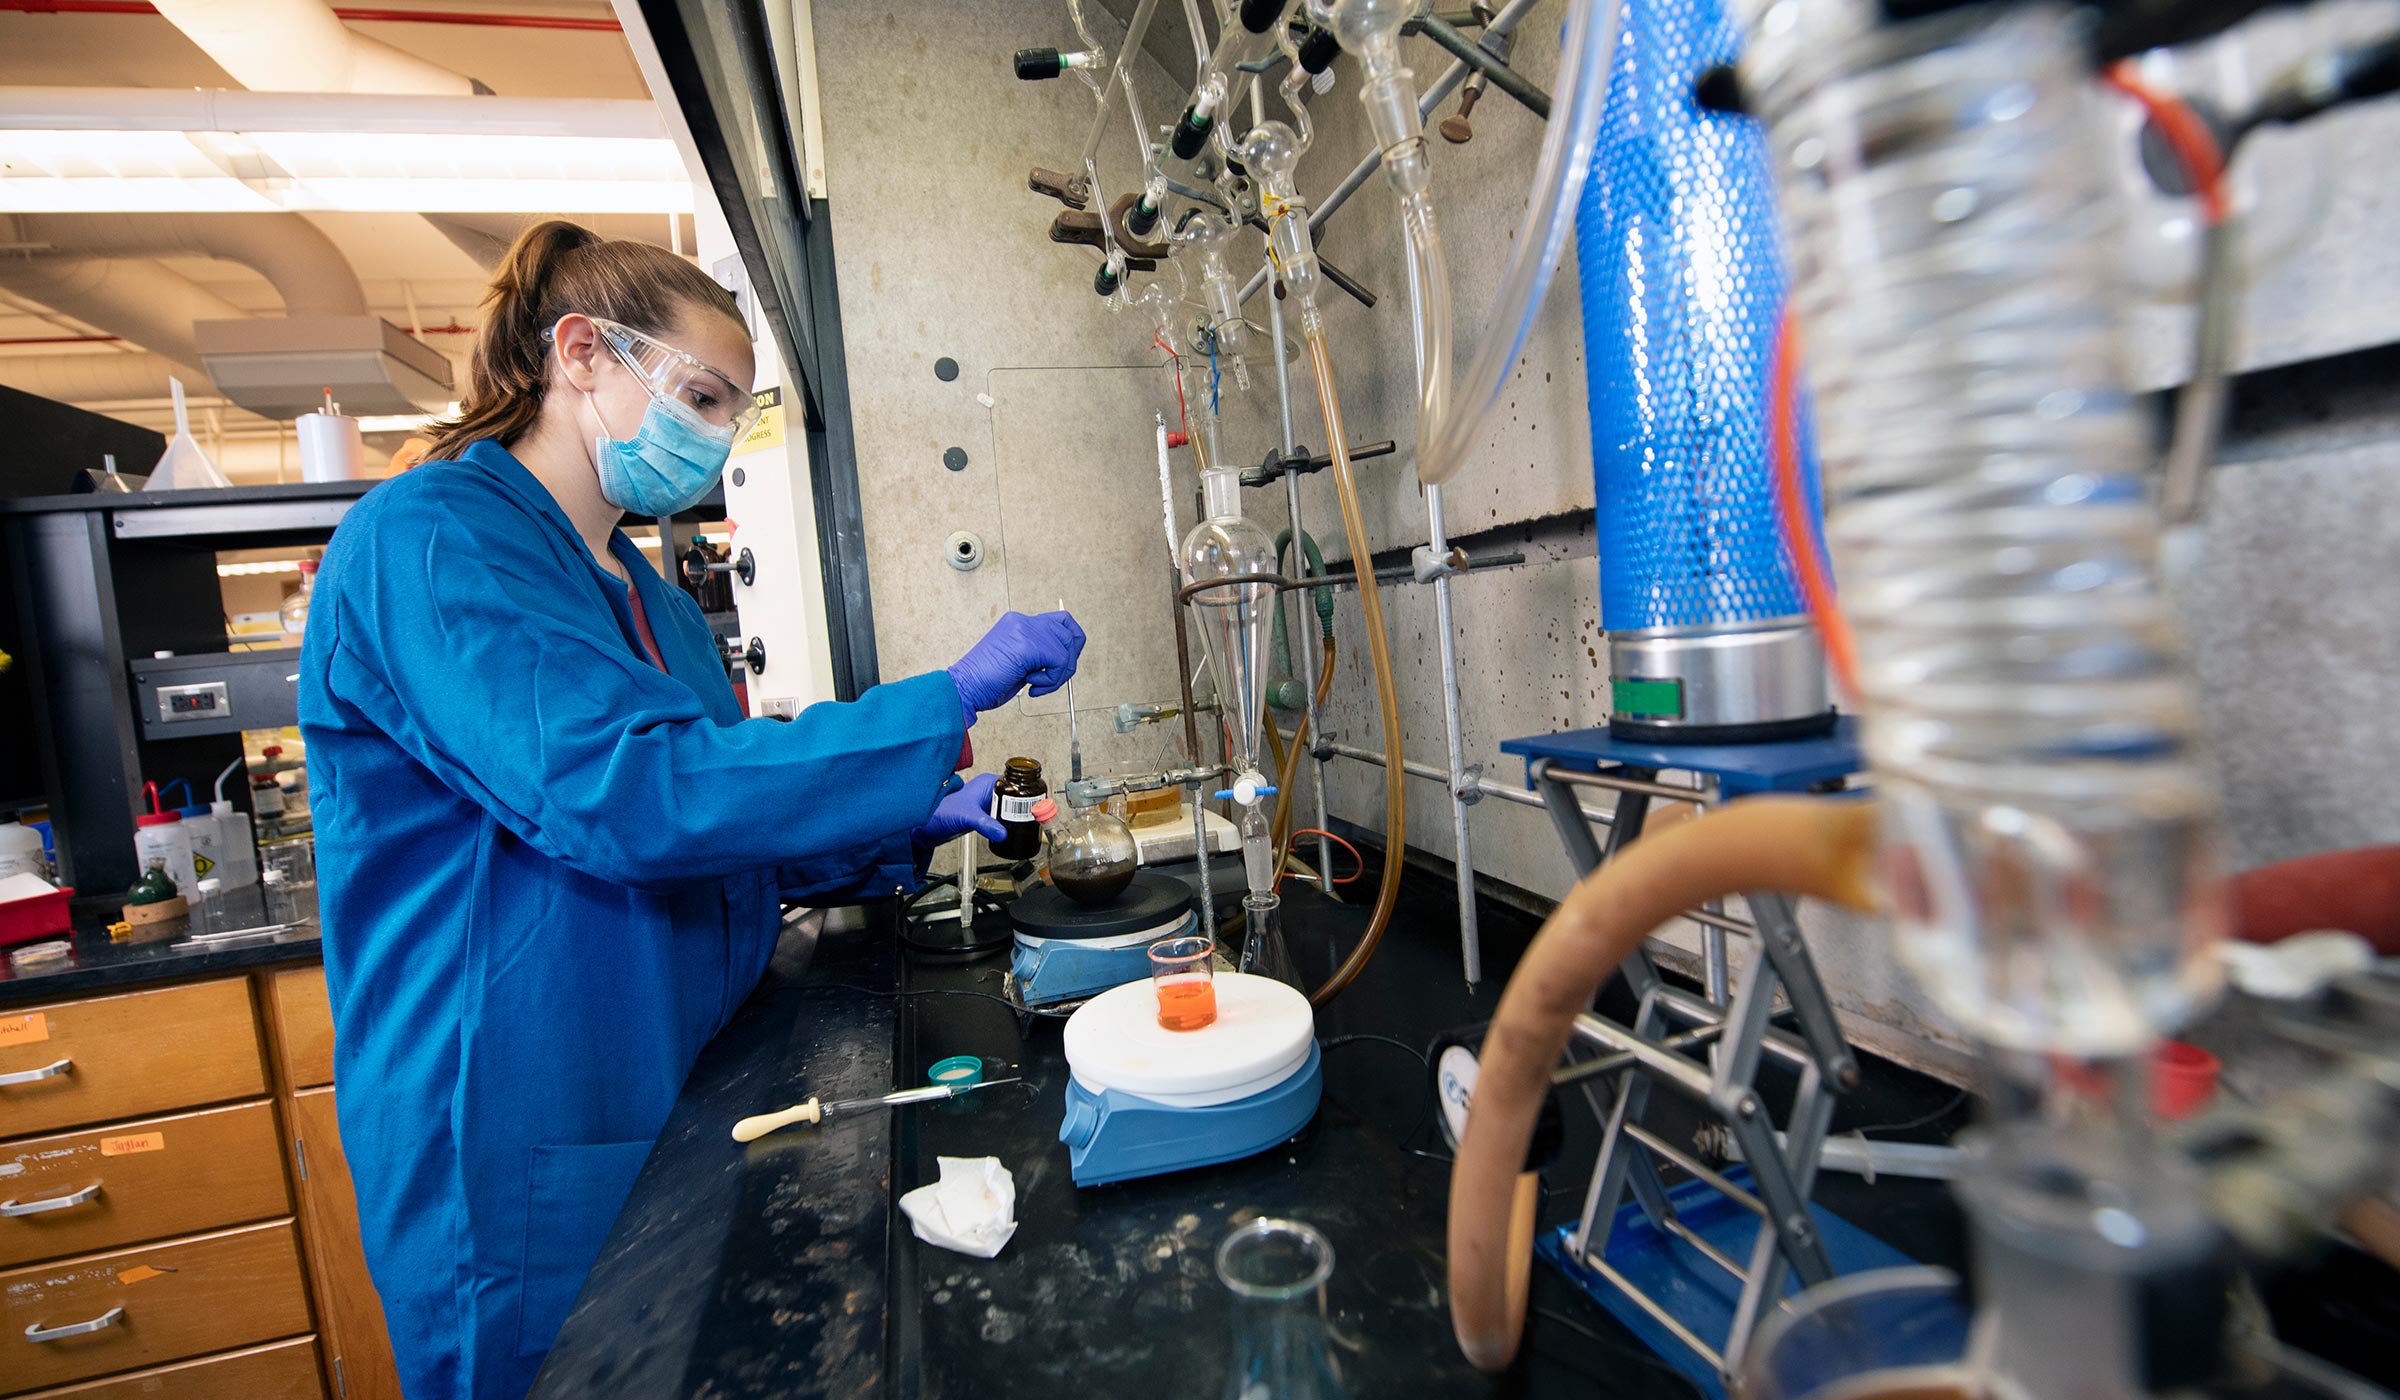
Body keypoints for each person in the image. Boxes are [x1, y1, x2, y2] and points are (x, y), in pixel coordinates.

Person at [296, 221, 1083, 1400]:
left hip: (672, 1076)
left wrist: (898, 828)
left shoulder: (652, 600)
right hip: (518, 1114)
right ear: (581, 353)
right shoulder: (426, 542)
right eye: (702, 396)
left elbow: (712, 823)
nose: (714, 438)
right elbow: (627, 793)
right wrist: (941, 700)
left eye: (733, 412)